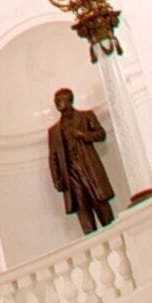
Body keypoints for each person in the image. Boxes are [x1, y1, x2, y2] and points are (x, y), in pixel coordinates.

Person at [47, 89, 115, 233]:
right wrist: (56, 179)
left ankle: (117, 236)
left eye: (60, 100)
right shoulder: (54, 131)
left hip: (90, 169)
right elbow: (53, 157)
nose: (57, 103)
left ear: (69, 100)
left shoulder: (86, 116)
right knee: (83, 210)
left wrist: (83, 135)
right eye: (55, 101)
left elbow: (101, 134)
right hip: (71, 176)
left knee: (102, 208)